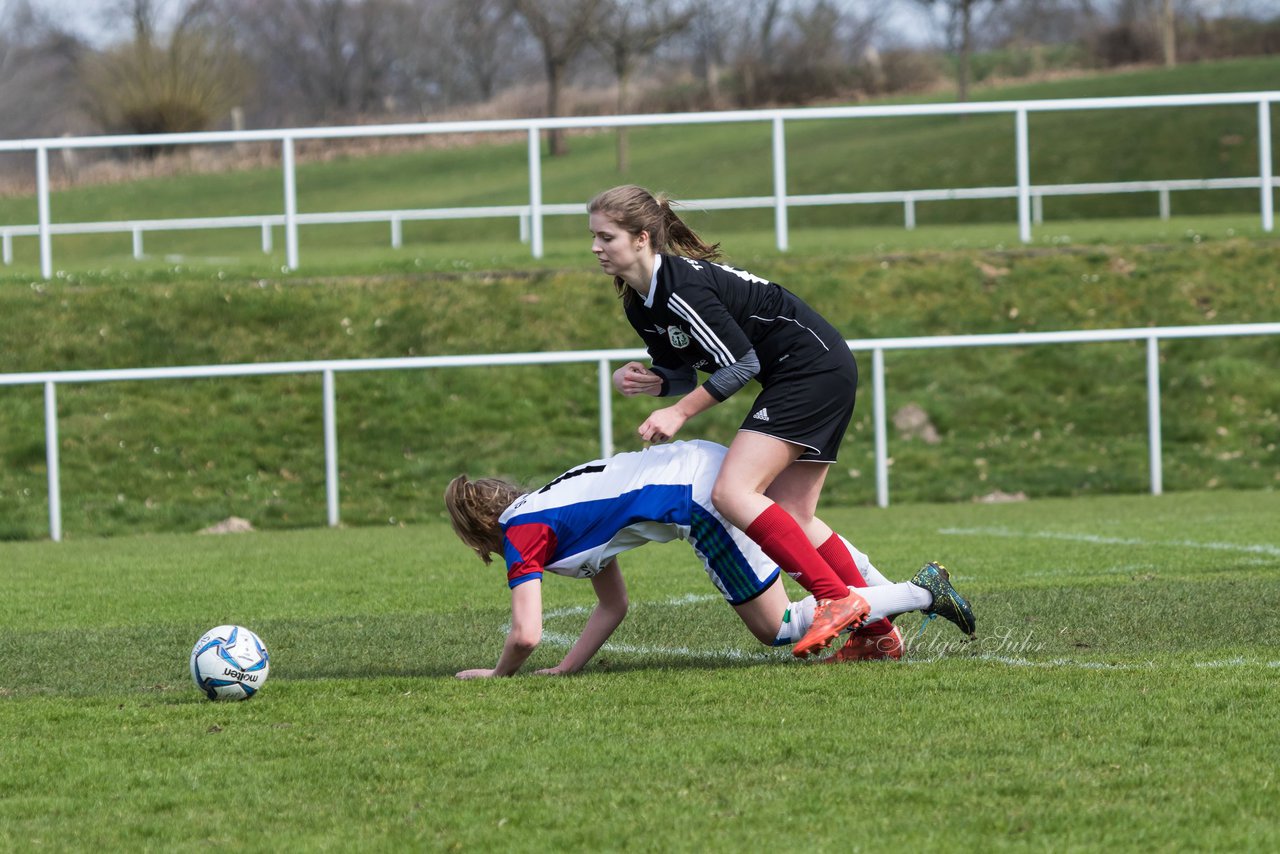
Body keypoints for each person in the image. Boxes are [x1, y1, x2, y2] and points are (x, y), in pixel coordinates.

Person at [588, 184, 874, 658]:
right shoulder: (640, 301)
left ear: (641, 238)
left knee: (732, 493)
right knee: (794, 515)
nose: (595, 248)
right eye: (594, 237)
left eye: (606, 237)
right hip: (817, 368)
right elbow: (682, 371)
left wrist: (679, 412)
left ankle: (836, 599)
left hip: (810, 369)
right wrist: (650, 382)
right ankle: (876, 630)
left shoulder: (683, 289)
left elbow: (741, 365)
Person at [443, 440, 976, 678]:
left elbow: (525, 633)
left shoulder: (523, 532)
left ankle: (922, 590)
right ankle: (883, 624)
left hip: (695, 498)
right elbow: (613, 606)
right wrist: (565, 669)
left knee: (780, 627)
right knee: (800, 529)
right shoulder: (550, 513)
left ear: (477, 533)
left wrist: (498, 675)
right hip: (700, 466)